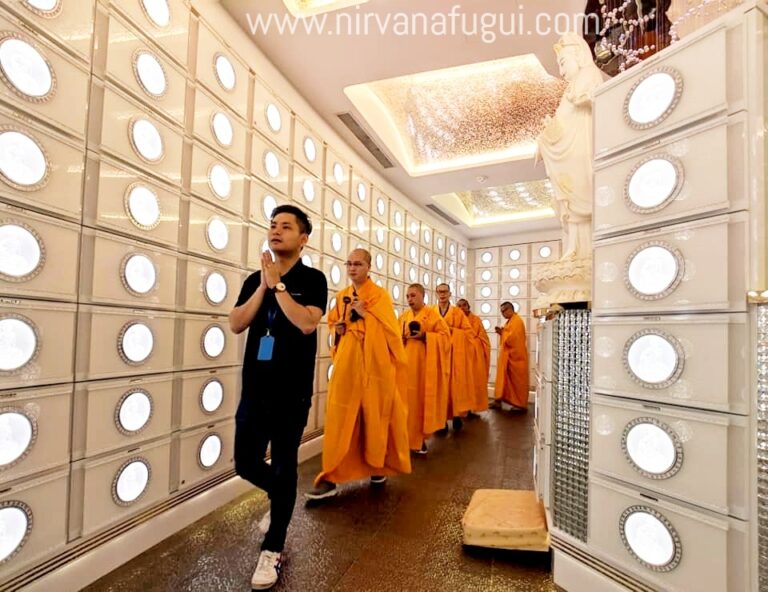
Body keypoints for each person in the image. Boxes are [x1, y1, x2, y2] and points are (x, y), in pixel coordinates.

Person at [228, 205, 327, 590]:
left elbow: (306, 322)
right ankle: (280, 499)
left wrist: (281, 286)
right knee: (246, 463)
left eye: (286, 226)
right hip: (255, 387)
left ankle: (273, 548)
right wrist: (263, 286)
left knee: (285, 463)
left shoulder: (313, 278)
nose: (276, 230)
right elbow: (237, 323)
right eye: (272, 225)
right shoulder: (256, 278)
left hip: (291, 392)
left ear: (303, 239)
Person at [306, 248, 411, 500]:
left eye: (358, 264)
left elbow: (392, 334)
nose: (352, 268)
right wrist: (339, 329)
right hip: (348, 364)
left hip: (375, 367)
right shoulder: (342, 295)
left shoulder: (380, 296)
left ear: (368, 267)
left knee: (374, 415)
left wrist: (367, 316)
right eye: (349, 264)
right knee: (340, 416)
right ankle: (330, 475)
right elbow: (333, 325)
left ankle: (377, 466)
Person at [535, 33, 605, 260]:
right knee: (571, 204)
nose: (561, 72)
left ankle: (586, 250)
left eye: (563, 63)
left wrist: (584, 97)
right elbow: (562, 123)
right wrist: (548, 133)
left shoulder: (589, 75)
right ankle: (574, 247)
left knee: (583, 194)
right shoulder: (570, 88)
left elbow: (596, 101)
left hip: (582, 148)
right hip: (570, 152)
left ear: (579, 55)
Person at [399, 283, 451, 455]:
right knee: (405, 404)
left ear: (423, 296)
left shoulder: (432, 315)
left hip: (423, 368)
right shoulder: (404, 316)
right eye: (407, 296)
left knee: (419, 404)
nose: (410, 299)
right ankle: (405, 439)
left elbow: (445, 338)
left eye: (413, 295)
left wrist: (425, 336)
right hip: (406, 366)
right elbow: (395, 338)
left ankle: (419, 440)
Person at [433, 283, 475, 431]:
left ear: (450, 294)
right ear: (436, 294)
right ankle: (441, 420)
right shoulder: (431, 312)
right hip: (437, 356)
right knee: (440, 390)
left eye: (445, 292)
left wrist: (453, 332)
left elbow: (469, 334)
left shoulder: (457, 313)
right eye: (439, 292)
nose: (442, 294)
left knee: (454, 389)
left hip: (454, 357)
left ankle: (456, 416)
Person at [492, 302, 529, 411]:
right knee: (505, 380)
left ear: (511, 309)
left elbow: (513, 339)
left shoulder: (517, 321)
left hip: (516, 359)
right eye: (501, 311)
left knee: (517, 383)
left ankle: (520, 405)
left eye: (505, 310)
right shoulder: (511, 321)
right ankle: (499, 400)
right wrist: (502, 332)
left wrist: (502, 333)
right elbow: (509, 335)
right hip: (509, 357)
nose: (503, 313)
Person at [457, 299, 491, 415]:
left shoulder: (475, 319)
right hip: (460, 355)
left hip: (475, 357)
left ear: (468, 306)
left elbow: (483, 338)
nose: (461, 308)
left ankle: (472, 408)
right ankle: (461, 409)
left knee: (474, 382)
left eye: (464, 305)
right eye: (459, 306)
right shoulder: (455, 318)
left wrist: (472, 344)